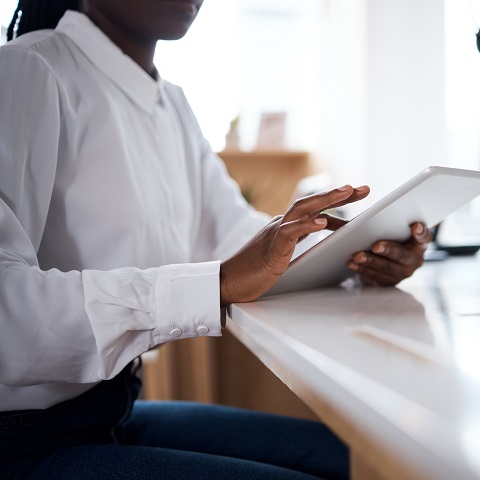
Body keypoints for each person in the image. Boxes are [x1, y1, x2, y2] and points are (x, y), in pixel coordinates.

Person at [0, 1, 432, 479]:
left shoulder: (171, 102)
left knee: (352, 458)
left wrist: (362, 256)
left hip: (108, 412)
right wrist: (219, 281)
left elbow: (236, 235)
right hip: (21, 442)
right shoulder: (24, 71)